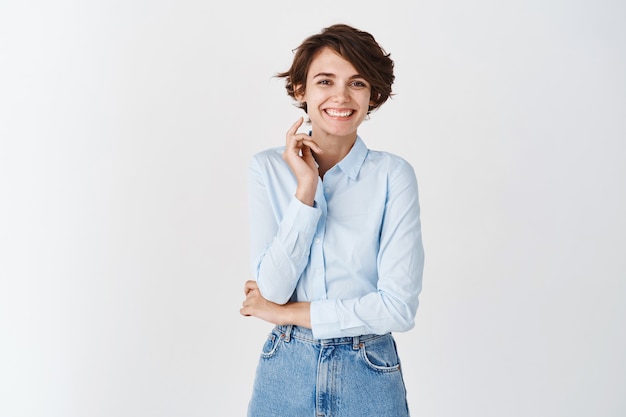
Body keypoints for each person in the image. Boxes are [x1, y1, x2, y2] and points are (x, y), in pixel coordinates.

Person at [240, 23, 425, 417]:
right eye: (325, 81)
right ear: (300, 90)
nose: (341, 96)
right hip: (286, 367)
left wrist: (286, 313)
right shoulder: (268, 169)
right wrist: (305, 189)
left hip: (368, 368)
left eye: (357, 83)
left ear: (374, 94)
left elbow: (397, 308)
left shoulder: (393, 176)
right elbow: (271, 289)